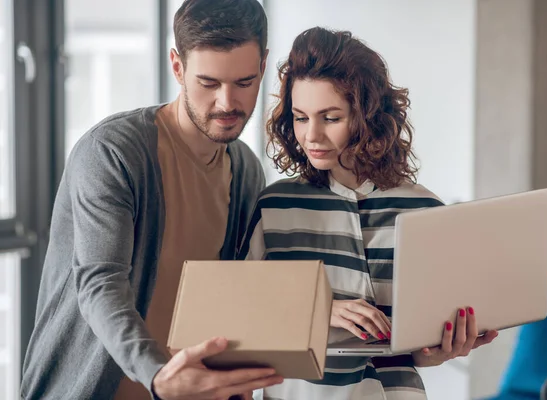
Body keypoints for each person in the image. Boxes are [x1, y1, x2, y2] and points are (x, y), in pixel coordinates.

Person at [20, 1, 284, 399]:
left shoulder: (246, 171)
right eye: (209, 83)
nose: (227, 103)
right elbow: (100, 283)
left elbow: (232, 294)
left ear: (263, 67)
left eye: (244, 83)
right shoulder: (112, 153)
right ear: (177, 67)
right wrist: (159, 376)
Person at [238, 27, 499, 400]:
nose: (310, 135)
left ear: (368, 117)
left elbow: (412, 352)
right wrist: (318, 308)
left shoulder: (426, 210)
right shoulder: (275, 206)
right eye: (300, 117)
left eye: (330, 118)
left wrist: (440, 351)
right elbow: (240, 313)